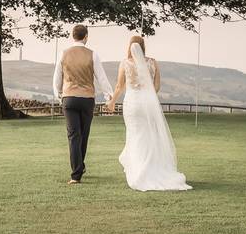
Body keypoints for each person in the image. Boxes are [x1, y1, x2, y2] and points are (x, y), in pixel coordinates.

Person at [106, 36, 192, 191]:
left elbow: (119, 86)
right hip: (148, 102)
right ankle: (152, 169)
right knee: (150, 136)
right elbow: (156, 86)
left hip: (132, 103)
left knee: (135, 135)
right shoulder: (152, 62)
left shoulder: (125, 63)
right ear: (143, 46)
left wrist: (112, 102)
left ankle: (139, 171)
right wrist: (148, 95)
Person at [52, 24, 113, 184]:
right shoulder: (92, 55)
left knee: (73, 136)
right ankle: (79, 168)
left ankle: (77, 173)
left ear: (73, 36)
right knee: (83, 134)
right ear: (86, 36)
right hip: (86, 99)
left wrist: (60, 96)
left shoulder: (63, 54)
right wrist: (109, 97)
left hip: (69, 98)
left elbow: (57, 78)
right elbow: (102, 77)